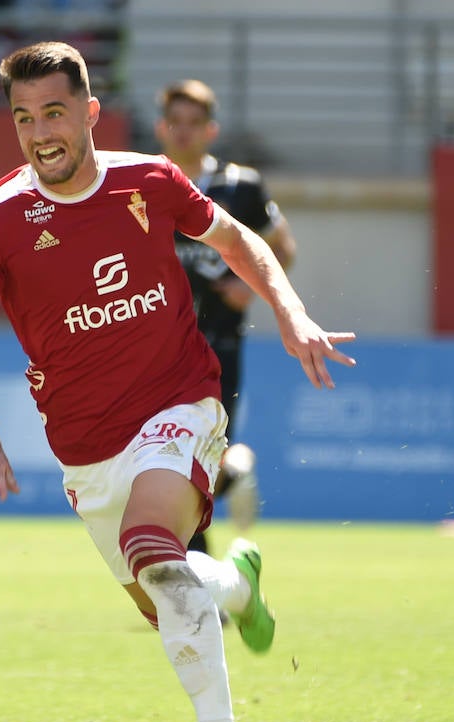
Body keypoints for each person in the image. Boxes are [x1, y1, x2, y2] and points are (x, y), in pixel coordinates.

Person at [0, 42, 355, 722]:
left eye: (56, 112)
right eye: (24, 118)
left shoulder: (149, 181)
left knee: (153, 548)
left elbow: (239, 240)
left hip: (181, 401)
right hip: (85, 450)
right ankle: (232, 581)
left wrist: (290, 315)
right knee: (165, 591)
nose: (40, 133)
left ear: (91, 112)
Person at [156, 78, 298, 551]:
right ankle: (199, 586)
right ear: (161, 127)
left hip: (218, 346)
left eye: (193, 123)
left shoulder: (240, 186)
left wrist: (248, 284)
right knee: (168, 467)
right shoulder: (142, 185)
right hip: (152, 349)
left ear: (211, 129)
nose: (183, 132)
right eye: (175, 122)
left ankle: (229, 480)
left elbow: (282, 247)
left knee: (192, 466)